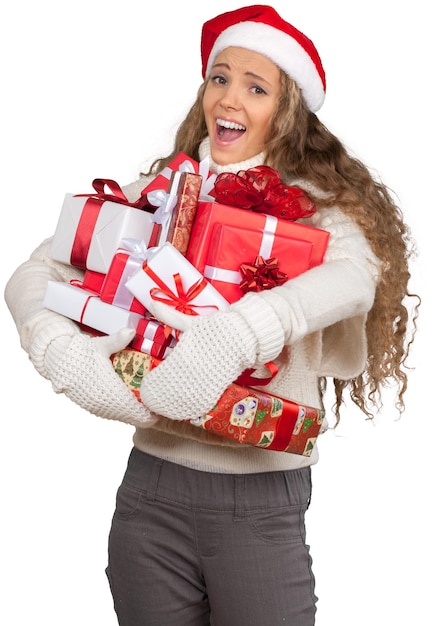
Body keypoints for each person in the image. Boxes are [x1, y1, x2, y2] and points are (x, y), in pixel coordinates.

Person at [4, 5, 419, 625]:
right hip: (149, 495)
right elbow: (32, 276)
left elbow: (358, 276)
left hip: (259, 500)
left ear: (289, 113)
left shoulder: (320, 210)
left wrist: (237, 331)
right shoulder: (159, 192)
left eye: (257, 87)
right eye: (220, 78)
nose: (230, 98)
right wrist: (62, 353)